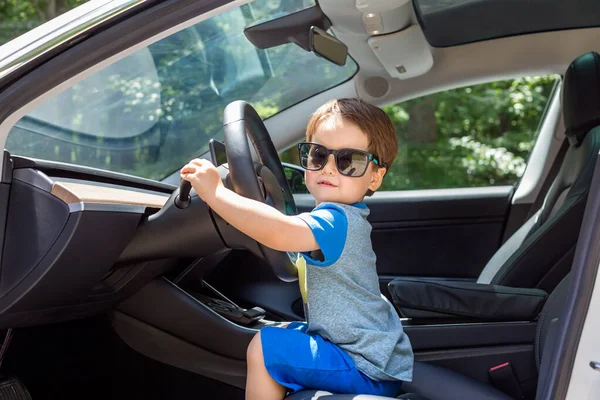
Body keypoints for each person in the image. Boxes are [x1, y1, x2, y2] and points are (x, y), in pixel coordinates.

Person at [181, 98, 413, 400]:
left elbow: (279, 232)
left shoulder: (336, 219)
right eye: (318, 155)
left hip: (364, 367)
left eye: (349, 161)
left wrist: (215, 194)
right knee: (286, 332)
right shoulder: (338, 217)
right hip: (366, 357)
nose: (329, 168)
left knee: (264, 346)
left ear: (374, 176)